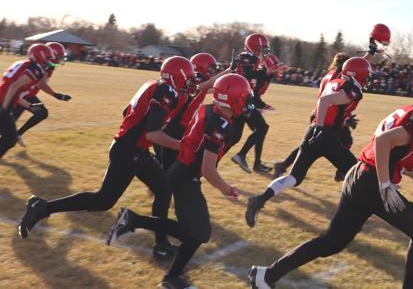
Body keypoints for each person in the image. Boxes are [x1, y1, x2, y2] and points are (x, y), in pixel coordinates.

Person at [248, 74, 413, 289]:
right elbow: (384, 142)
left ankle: (266, 276)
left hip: (358, 175)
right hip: (372, 182)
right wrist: (385, 184)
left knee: (333, 241)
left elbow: (394, 152)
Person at [18, 56, 196, 260]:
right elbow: (152, 134)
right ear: (178, 75)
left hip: (136, 150)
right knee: (103, 201)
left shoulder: (155, 85)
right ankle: (42, 207)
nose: (190, 82)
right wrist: (183, 146)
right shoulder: (166, 91)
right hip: (129, 151)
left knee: (164, 191)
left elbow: (127, 113)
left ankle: (161, 245)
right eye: (189, 77)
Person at [105, 74, 251, 289]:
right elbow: (207, 169)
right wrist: (227, 189)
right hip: (185, 178)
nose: (246, 101)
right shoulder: (219, 123)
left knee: (190, 232)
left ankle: (167, 271)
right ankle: (167, 272)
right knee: (200, 233)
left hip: (181, 173)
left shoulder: (213, 110)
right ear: (234, 99)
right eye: (244, 97)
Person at [245, 57, 372, 228]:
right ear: (359, 74)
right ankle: (348, 219)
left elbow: (331, 107)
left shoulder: (335, 80)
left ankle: (259, 199)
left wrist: (328, 125)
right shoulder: (352, 88)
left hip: (313, 131)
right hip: (327, 136)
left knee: (294, 177)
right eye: (367, 75)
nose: (368, 79)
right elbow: (325, 101)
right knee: (358, 174)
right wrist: (322, 128)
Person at [272, 52, 357, 181]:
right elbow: (332, 102)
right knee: (341, 142)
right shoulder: (338, 76)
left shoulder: (329, 75)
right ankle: (343, 171)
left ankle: (283, 165)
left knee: (308, 146)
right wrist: (344, 118)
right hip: (327, 115)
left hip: (319, 111)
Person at [152, 52, 231, 172]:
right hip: (176, 127)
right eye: (210, 68)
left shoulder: (195, 81)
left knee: (169, 165)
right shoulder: (198, 78)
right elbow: (201, 86)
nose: (212, 71)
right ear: (201, 66)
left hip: (176, 126)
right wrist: (228, 71)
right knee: (171, 168)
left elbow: (209, 89)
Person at [12, 42, 72, 147]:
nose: (60, 59)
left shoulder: (48, 66)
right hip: (19, 96)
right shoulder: (41, 66)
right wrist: (56, 95)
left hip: (27, 95)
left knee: (42, 113)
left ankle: (16, 135)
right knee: (7, 124)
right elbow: (40, 84)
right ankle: (13, 136)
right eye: (58, 56)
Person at [231, 34, 276, 174]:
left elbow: (252, 84)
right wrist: (266, 71)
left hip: (247, 101)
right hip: (243, 102)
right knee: (262, 128)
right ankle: (241, 156)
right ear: (253, 46)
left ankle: (256, 163)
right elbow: (248, 74)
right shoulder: (247, 56)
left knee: (240, 135)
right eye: (262, 47)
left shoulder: (254, 59)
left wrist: (261, 104)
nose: (264, 51)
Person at [0, 44, 54, 159]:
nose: (50, 61)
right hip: (3, 102)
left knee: (9, 138)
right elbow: (14, 86)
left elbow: (15, 93)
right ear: (40, 55)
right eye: (48, 58)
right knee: (10, 139)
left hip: (3, 99)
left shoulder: (25, 64)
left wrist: (30, 106)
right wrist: (4, 109)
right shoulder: (36, 68)